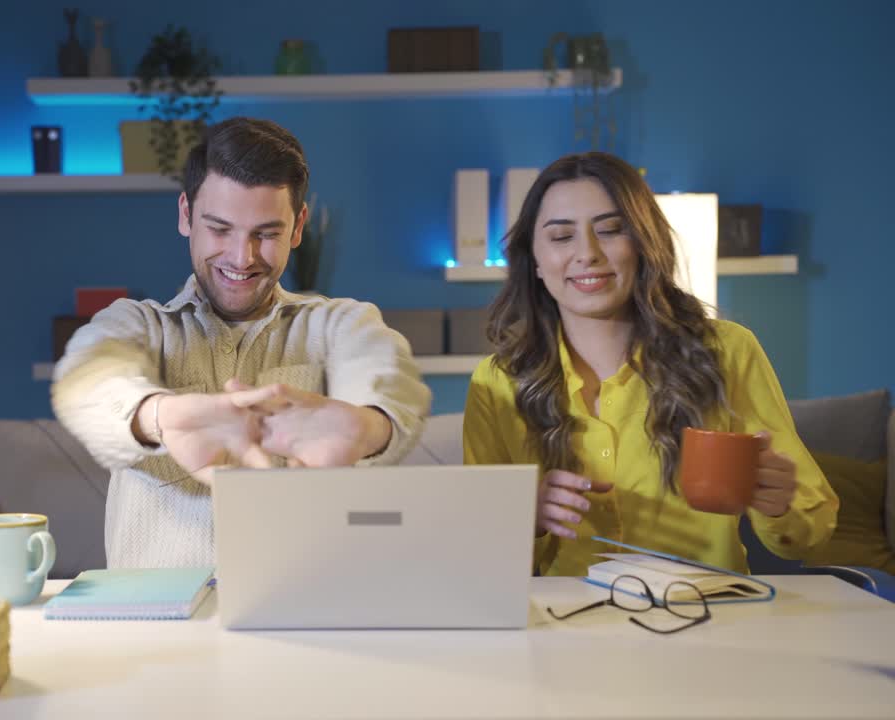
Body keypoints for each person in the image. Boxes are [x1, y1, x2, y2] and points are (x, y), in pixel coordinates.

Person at [52, 117, 431, 569]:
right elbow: (88, 383)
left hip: (300, 620)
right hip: (158, 632)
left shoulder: (341, 323)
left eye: (266, 234)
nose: (242, 257)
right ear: (186, 215)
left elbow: (391, 387)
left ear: (297, 228)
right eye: (220, 228)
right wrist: (163, 416)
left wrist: (366, 428)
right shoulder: (134, 324)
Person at [462, 151, 837, 576]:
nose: (587, 254)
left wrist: (780, 502)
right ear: (534, 261)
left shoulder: (728, 351)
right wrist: (522, 515)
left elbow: (810, 533)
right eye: (562, 237)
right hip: (562, 628)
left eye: (609, 230)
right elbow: (479, 561)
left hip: (705, 619)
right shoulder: (495, 383)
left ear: (644, 244)